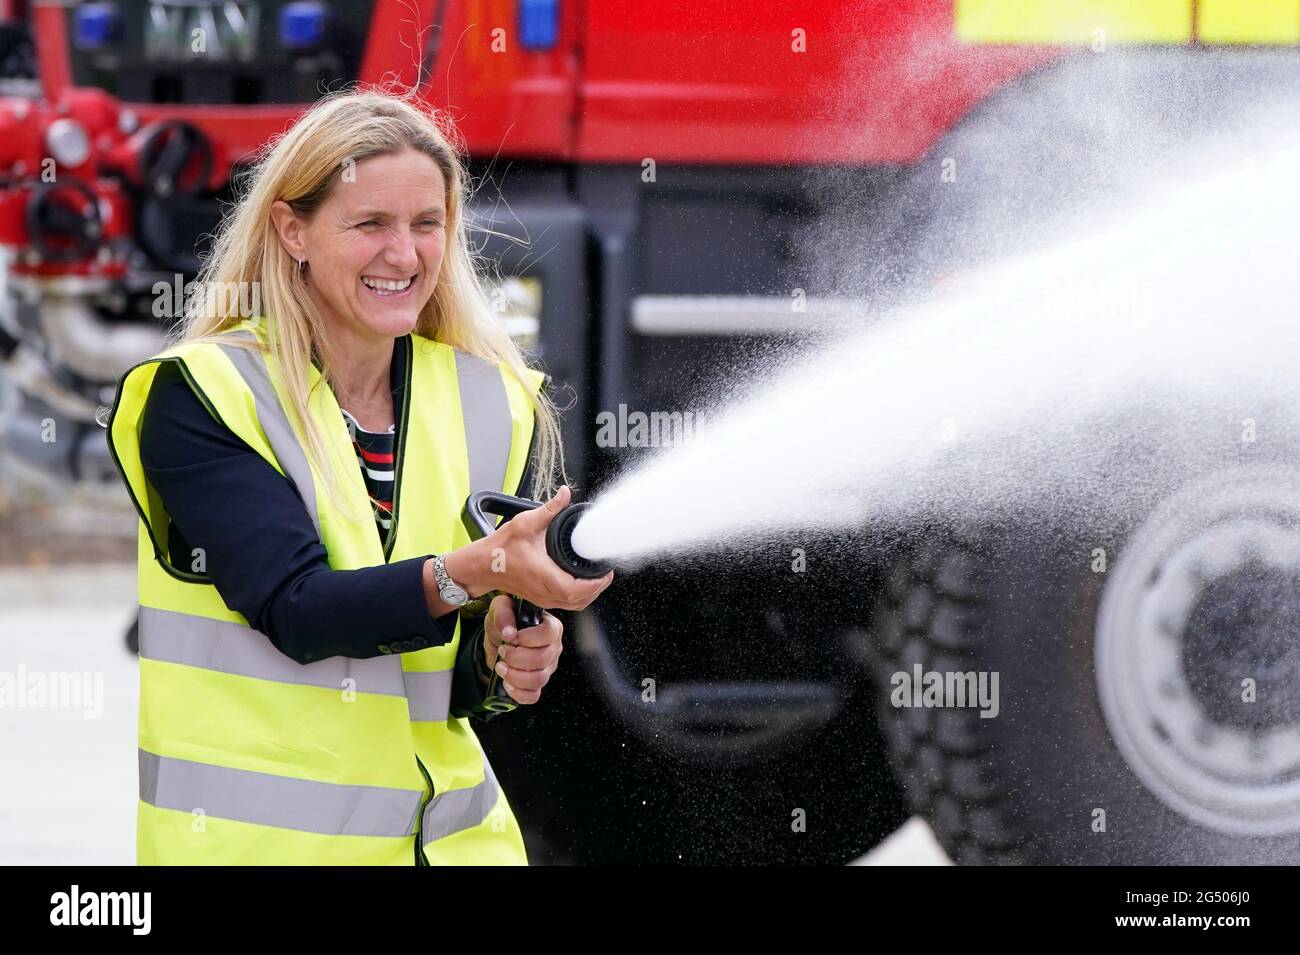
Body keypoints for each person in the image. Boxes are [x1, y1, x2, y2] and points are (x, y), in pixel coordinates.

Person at [105, 89, 613, 865]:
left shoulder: (492, 402)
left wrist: (497, 661)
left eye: (427, 224)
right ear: (292, 229)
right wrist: (468, 573)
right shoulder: (208, 395)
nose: (404, 256)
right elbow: (299, 611)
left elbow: (424, 681)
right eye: (370, 224)